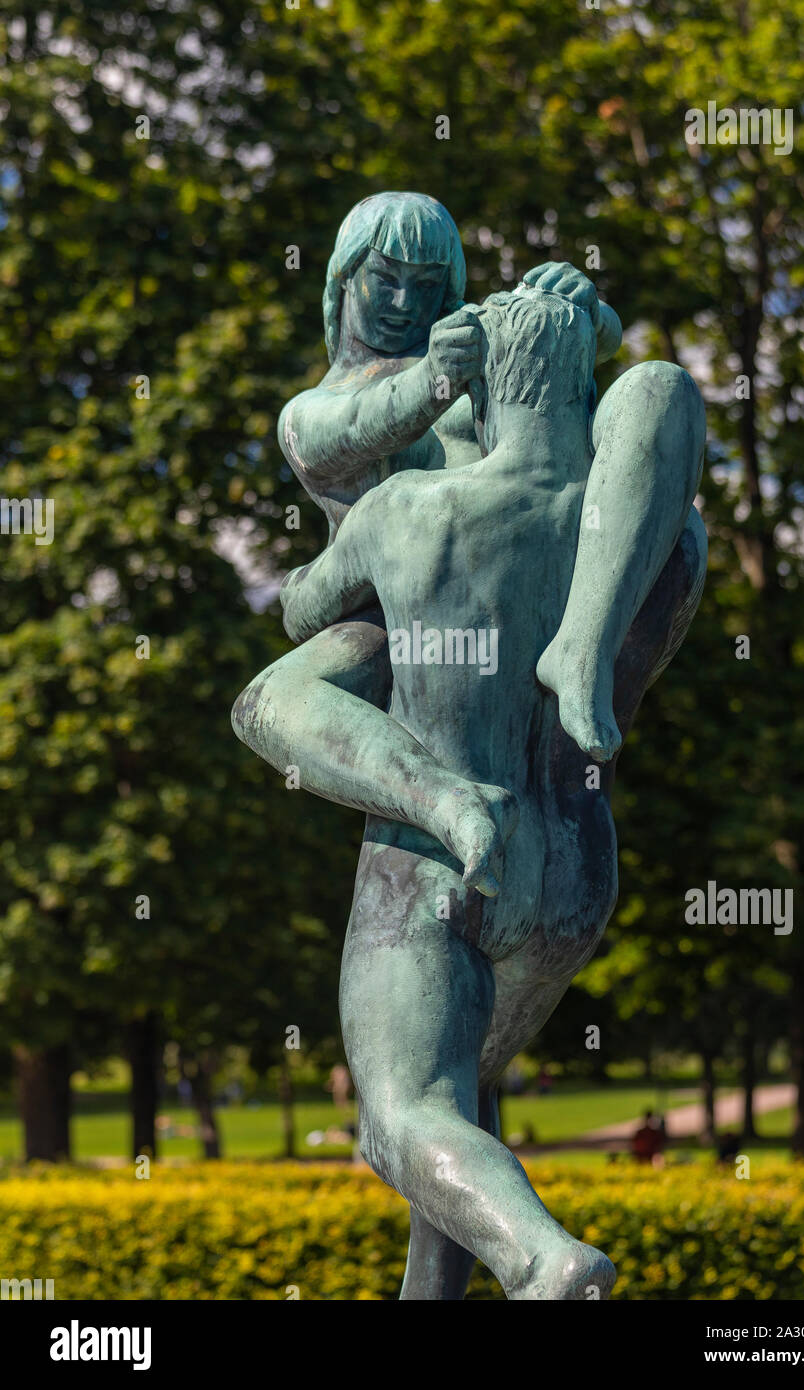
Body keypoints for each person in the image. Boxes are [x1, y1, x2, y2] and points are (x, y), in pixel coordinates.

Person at [280, 287, 704, 1299]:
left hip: (441, 860)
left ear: (484, 392)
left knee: (407, 1112)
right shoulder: (659, 547)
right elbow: (651, 419)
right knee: (468, 1094)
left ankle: (542, 1259)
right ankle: (578, 659)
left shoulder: (407, 511)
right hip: (572, 870)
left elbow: (297, 609)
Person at [232, 191, 704, 896]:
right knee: (267, 702)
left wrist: (584, 312)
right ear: (341, 280)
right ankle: (442, 800)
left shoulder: (469, 348)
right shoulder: (311, 409)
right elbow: (351, 434)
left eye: (426, 287)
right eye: (382, 279)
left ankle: (582, 650)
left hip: (534, 566)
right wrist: (433, 376)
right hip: (392, 613)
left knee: (658, 395)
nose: (401, 301)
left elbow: (560, 355)